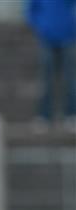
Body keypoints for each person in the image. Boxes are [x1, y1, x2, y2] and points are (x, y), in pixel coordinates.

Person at [26, 0, 76, 129]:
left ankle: (71, 115)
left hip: (68, 38)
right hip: (47, 39)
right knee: (46, 80)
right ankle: (44, 116)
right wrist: (41, 27)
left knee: (69, 80)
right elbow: (30, 11)